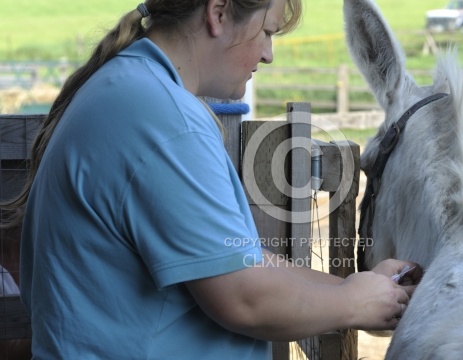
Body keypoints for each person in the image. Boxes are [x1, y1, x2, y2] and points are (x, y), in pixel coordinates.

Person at [1, 0, 422, 358]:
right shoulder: (162, 119)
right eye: (267, 32)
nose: (268, 54)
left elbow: (240, 261)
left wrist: (354, 287)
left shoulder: (133, 91)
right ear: (218, 13)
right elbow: (244, 298)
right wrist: (351, 304)